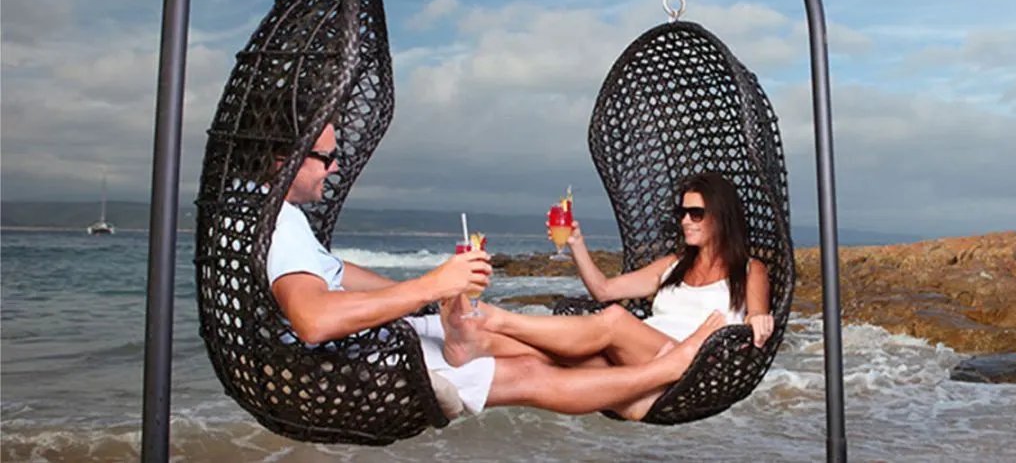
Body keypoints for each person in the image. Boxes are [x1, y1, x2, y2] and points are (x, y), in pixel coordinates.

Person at [265, 121, 726, 420]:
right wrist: (434, 283)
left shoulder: (276, 215)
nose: (335, 166)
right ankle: (658, 377)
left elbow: (335, 271)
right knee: (535, 367)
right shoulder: (281, 223)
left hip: (376, 338)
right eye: (325, 158)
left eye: (697, 214)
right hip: (355, 359)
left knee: (524, 349)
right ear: (286, 158)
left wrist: (427, 294)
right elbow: (314, 320)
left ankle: (482, 331)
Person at [472, 171, 775, 420]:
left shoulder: (750, 270)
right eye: (682, 212)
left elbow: (757, 317)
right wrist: (577, 244)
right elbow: (604, 290)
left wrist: (759, 320)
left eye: (696, 213)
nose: (685, 220)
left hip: (690, 369)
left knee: (615, 319)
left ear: (721, 217)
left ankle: (499, 320)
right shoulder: (671, 266)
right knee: (536, 359)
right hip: (637, 360)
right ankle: (468, 347)